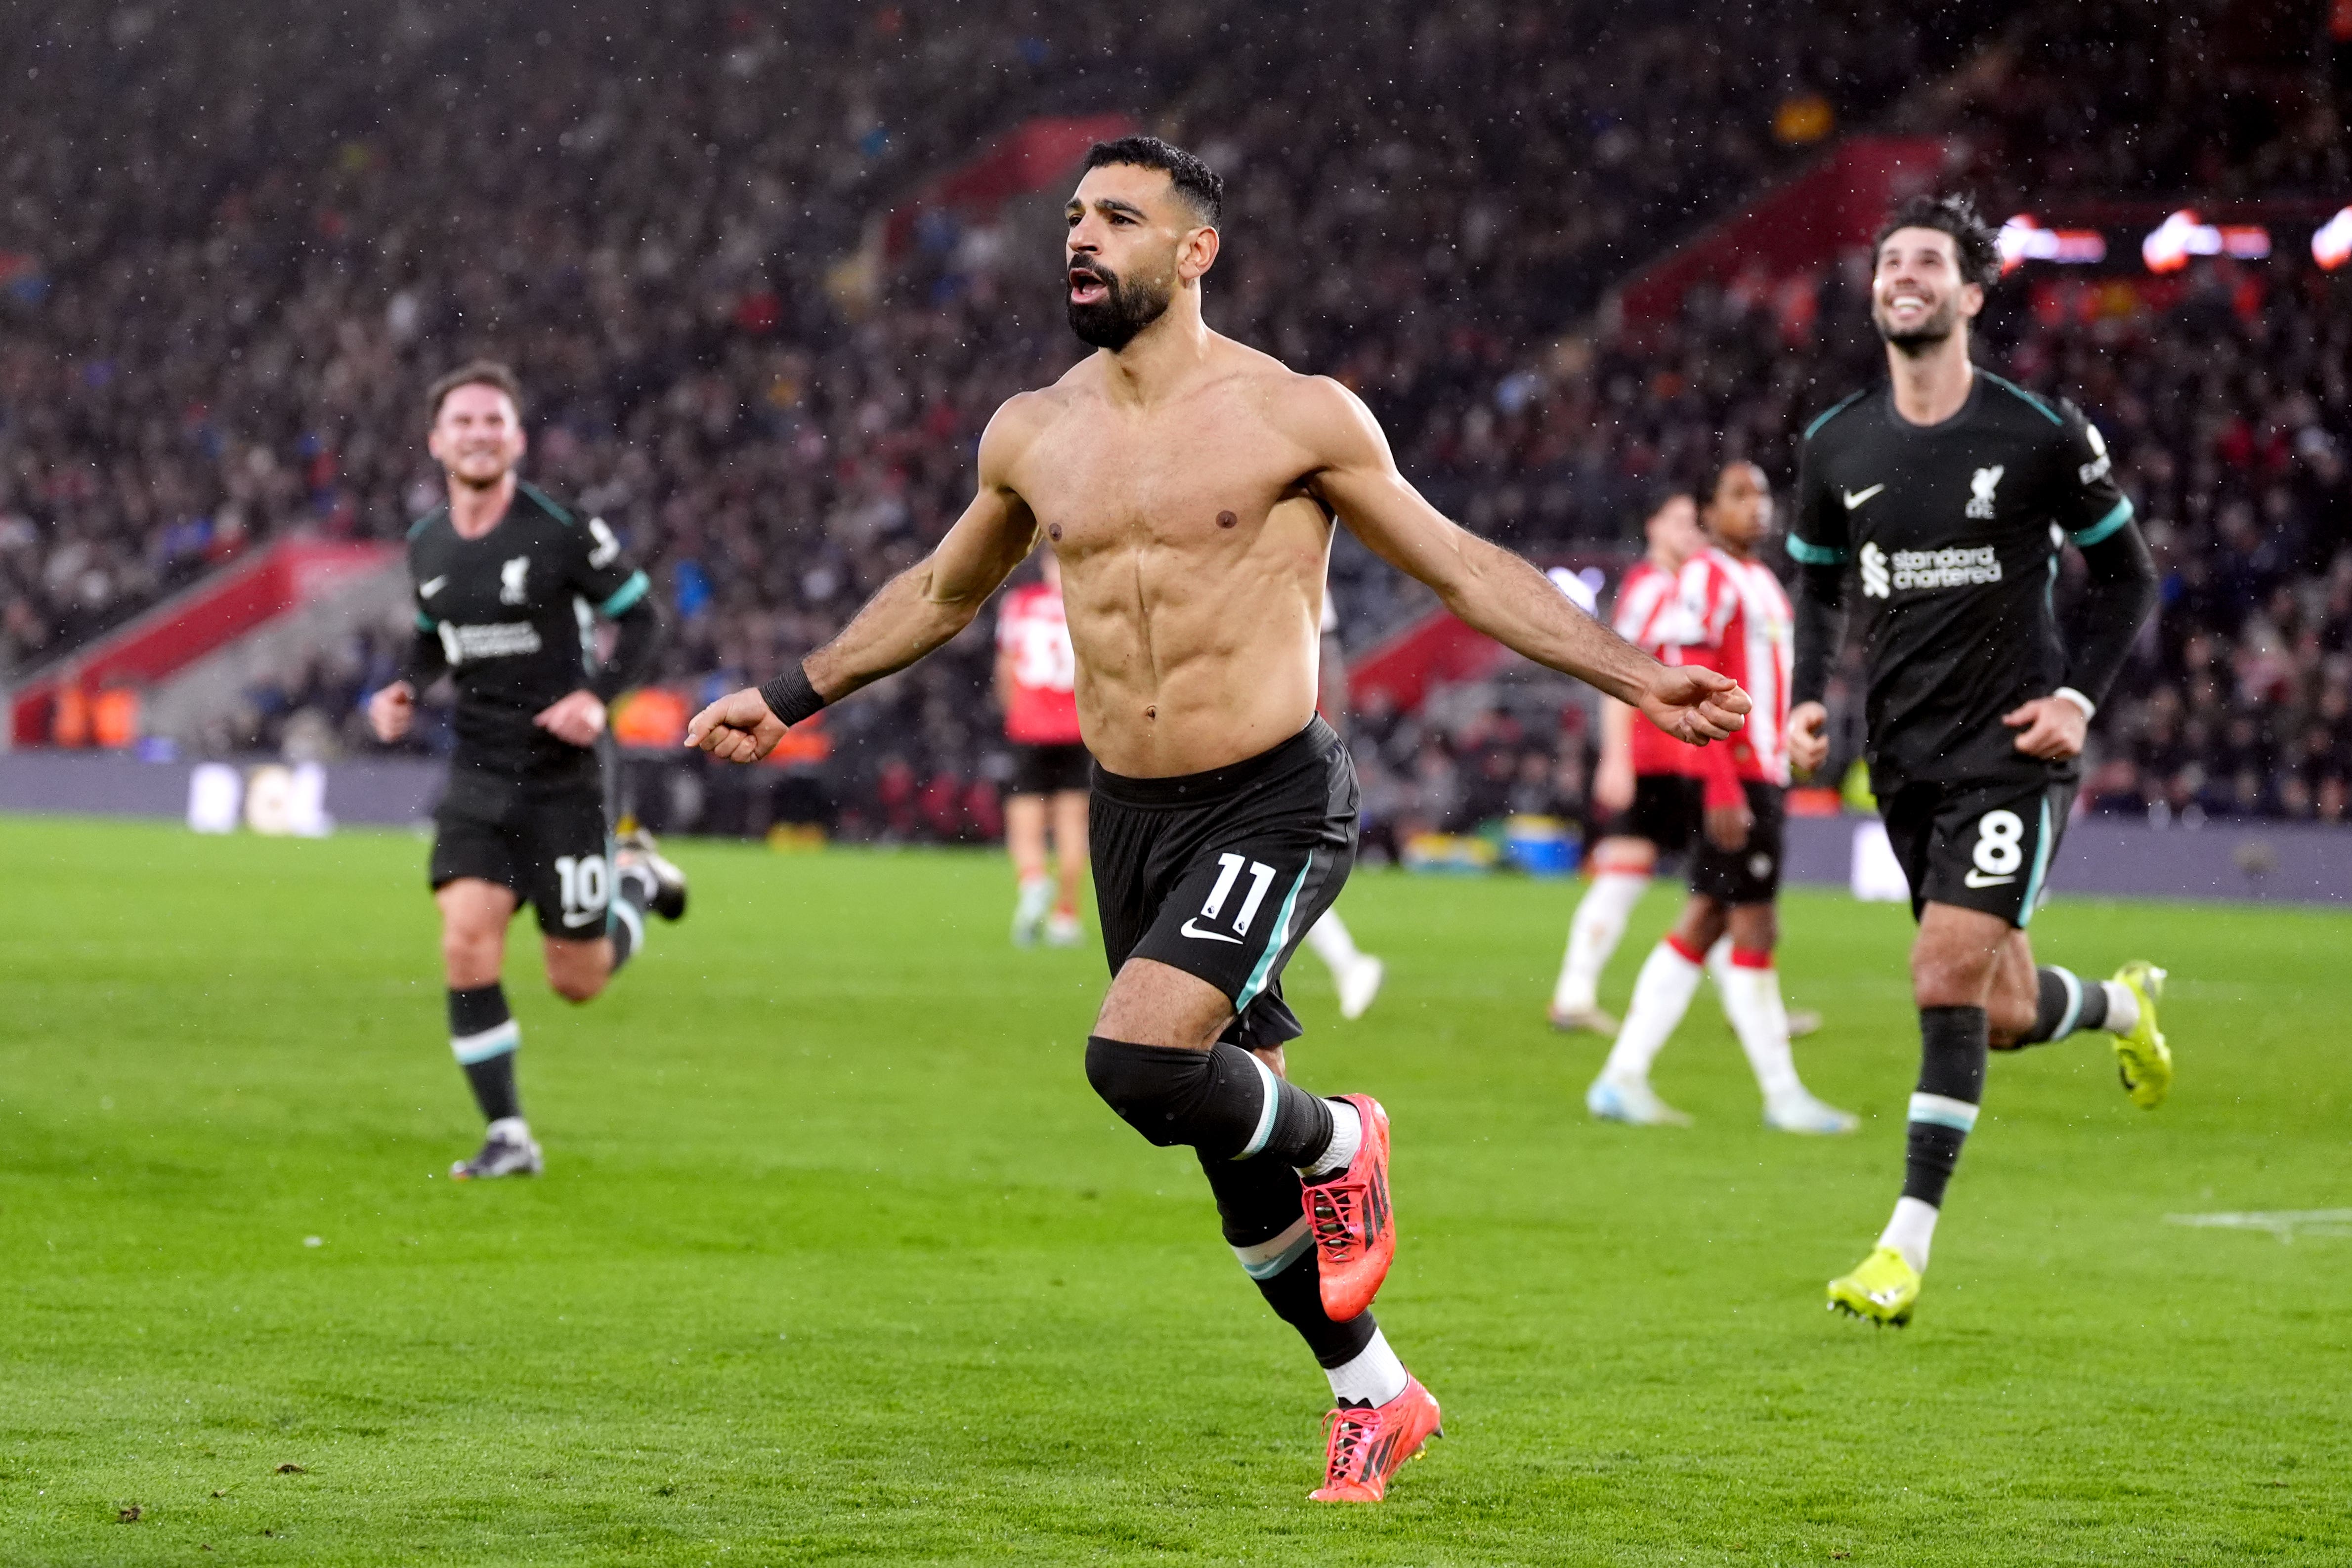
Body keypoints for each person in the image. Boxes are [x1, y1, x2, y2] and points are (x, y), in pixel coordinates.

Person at [684, 136, 1749, 1500]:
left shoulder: (1295, 416)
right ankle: (1374, 1391)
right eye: (1072, 215)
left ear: (1194, 253)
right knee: (1220, 1168)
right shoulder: (1029, 430)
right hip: (1126, 817)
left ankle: (1338, 1135)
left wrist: (1637, 674)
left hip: (1272, 794)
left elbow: (1468, 571)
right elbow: (942, 591)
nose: (1081, 236)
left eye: (1117, 217)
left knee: (1135, 1063)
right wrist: (786, 695)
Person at [1786, 194, 2169, 1326]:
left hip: (2009, 754)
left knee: (1940, 973)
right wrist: (1809, 701)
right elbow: (1813, 581)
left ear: (1967, 293)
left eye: (1925, 262)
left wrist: (2072, 699)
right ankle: (2117, 1005)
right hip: (1900, 760)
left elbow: (2129, 577)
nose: (1900, 274)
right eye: (1886, 260)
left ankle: (1899, 1249)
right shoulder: (1832, 445)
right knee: (1996, 1009)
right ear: (1875, 294)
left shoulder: (2036, 433)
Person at [368, 361, 686, 1182]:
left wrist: (596, 696)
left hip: (563, 776)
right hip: (478, 770)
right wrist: (406, 685)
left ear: (515, 438)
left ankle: (638, 883)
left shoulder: (561, 531)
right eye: (463, 421)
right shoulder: (426, 543)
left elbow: (644, 620)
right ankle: (508, 1133)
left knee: (575, 979)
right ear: (438, 441)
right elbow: (435, 629)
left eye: (493, 421)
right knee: (465, 942)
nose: (478, 433)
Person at [1584, 462, 1857, 1134]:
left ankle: (1620, 1078)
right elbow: (1694, 680)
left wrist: (1788, 733)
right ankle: (1781, 1095)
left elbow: (1761, 680)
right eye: (1738, 495)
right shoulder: (1706, 576)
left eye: (1762, 494)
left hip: (1762, 769)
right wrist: (1722, 781)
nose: (1757, 507)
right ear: (1707, 512)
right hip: (1734, 778)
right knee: (1754, 925)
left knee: (1704, 921)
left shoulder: (1760, 579)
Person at [1548, 485, 1705, 1035]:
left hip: (1683, 758)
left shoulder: (1681, 586)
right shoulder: (1647, 588)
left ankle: (1573, 993)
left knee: (1720, 882)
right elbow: (1618, 678)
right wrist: (1616, 758)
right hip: (1653, 758)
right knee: (1654, 877)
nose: (1693, 533)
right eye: (1682, 521)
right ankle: (1572, 994)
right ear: (1655, 528)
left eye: (1696, 524)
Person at [995, 552, 1089, 947]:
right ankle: (1065, 916)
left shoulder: (1019, 602)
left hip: (1029, 726)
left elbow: (1006, 664)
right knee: (1072, 822)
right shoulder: (1088, 605)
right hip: (1077, 728)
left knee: (1024, 816)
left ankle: (1033, 880)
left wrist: (1011, 711)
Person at [1300, 595, 1386, 1020]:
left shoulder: (1293, 551)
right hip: (1254, 730)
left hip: (1288, 736)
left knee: (1284, 867)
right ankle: (1347, 963)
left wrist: (1328, 740)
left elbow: (1326, 657)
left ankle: (1348, 962)